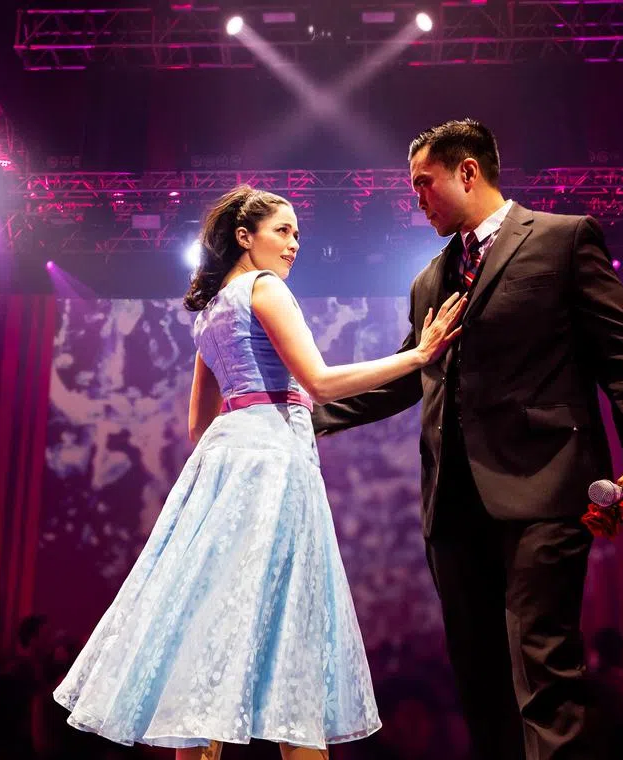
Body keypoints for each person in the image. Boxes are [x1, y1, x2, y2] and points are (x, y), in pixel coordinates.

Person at [53, 184, 465, 759]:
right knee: (290, 633)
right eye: (283, 231)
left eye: (297, 232)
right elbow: (320, 383)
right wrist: (420, 355)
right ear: (246, 238)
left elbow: (198, 425)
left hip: (224, 462)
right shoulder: (264, 288)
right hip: (272, 460)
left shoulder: (210, 309)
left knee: (210, 635)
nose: (295, 243)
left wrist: (237, 443)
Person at [312, 119, 623, 759]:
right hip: (453, 504)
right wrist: (302, 417)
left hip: (548, 487)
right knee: (480, 678)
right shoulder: (431, 279)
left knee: (543, 661)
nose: (416, 198)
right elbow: (406, 378)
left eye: (424, 183)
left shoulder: (563, 239)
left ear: (468, 172)